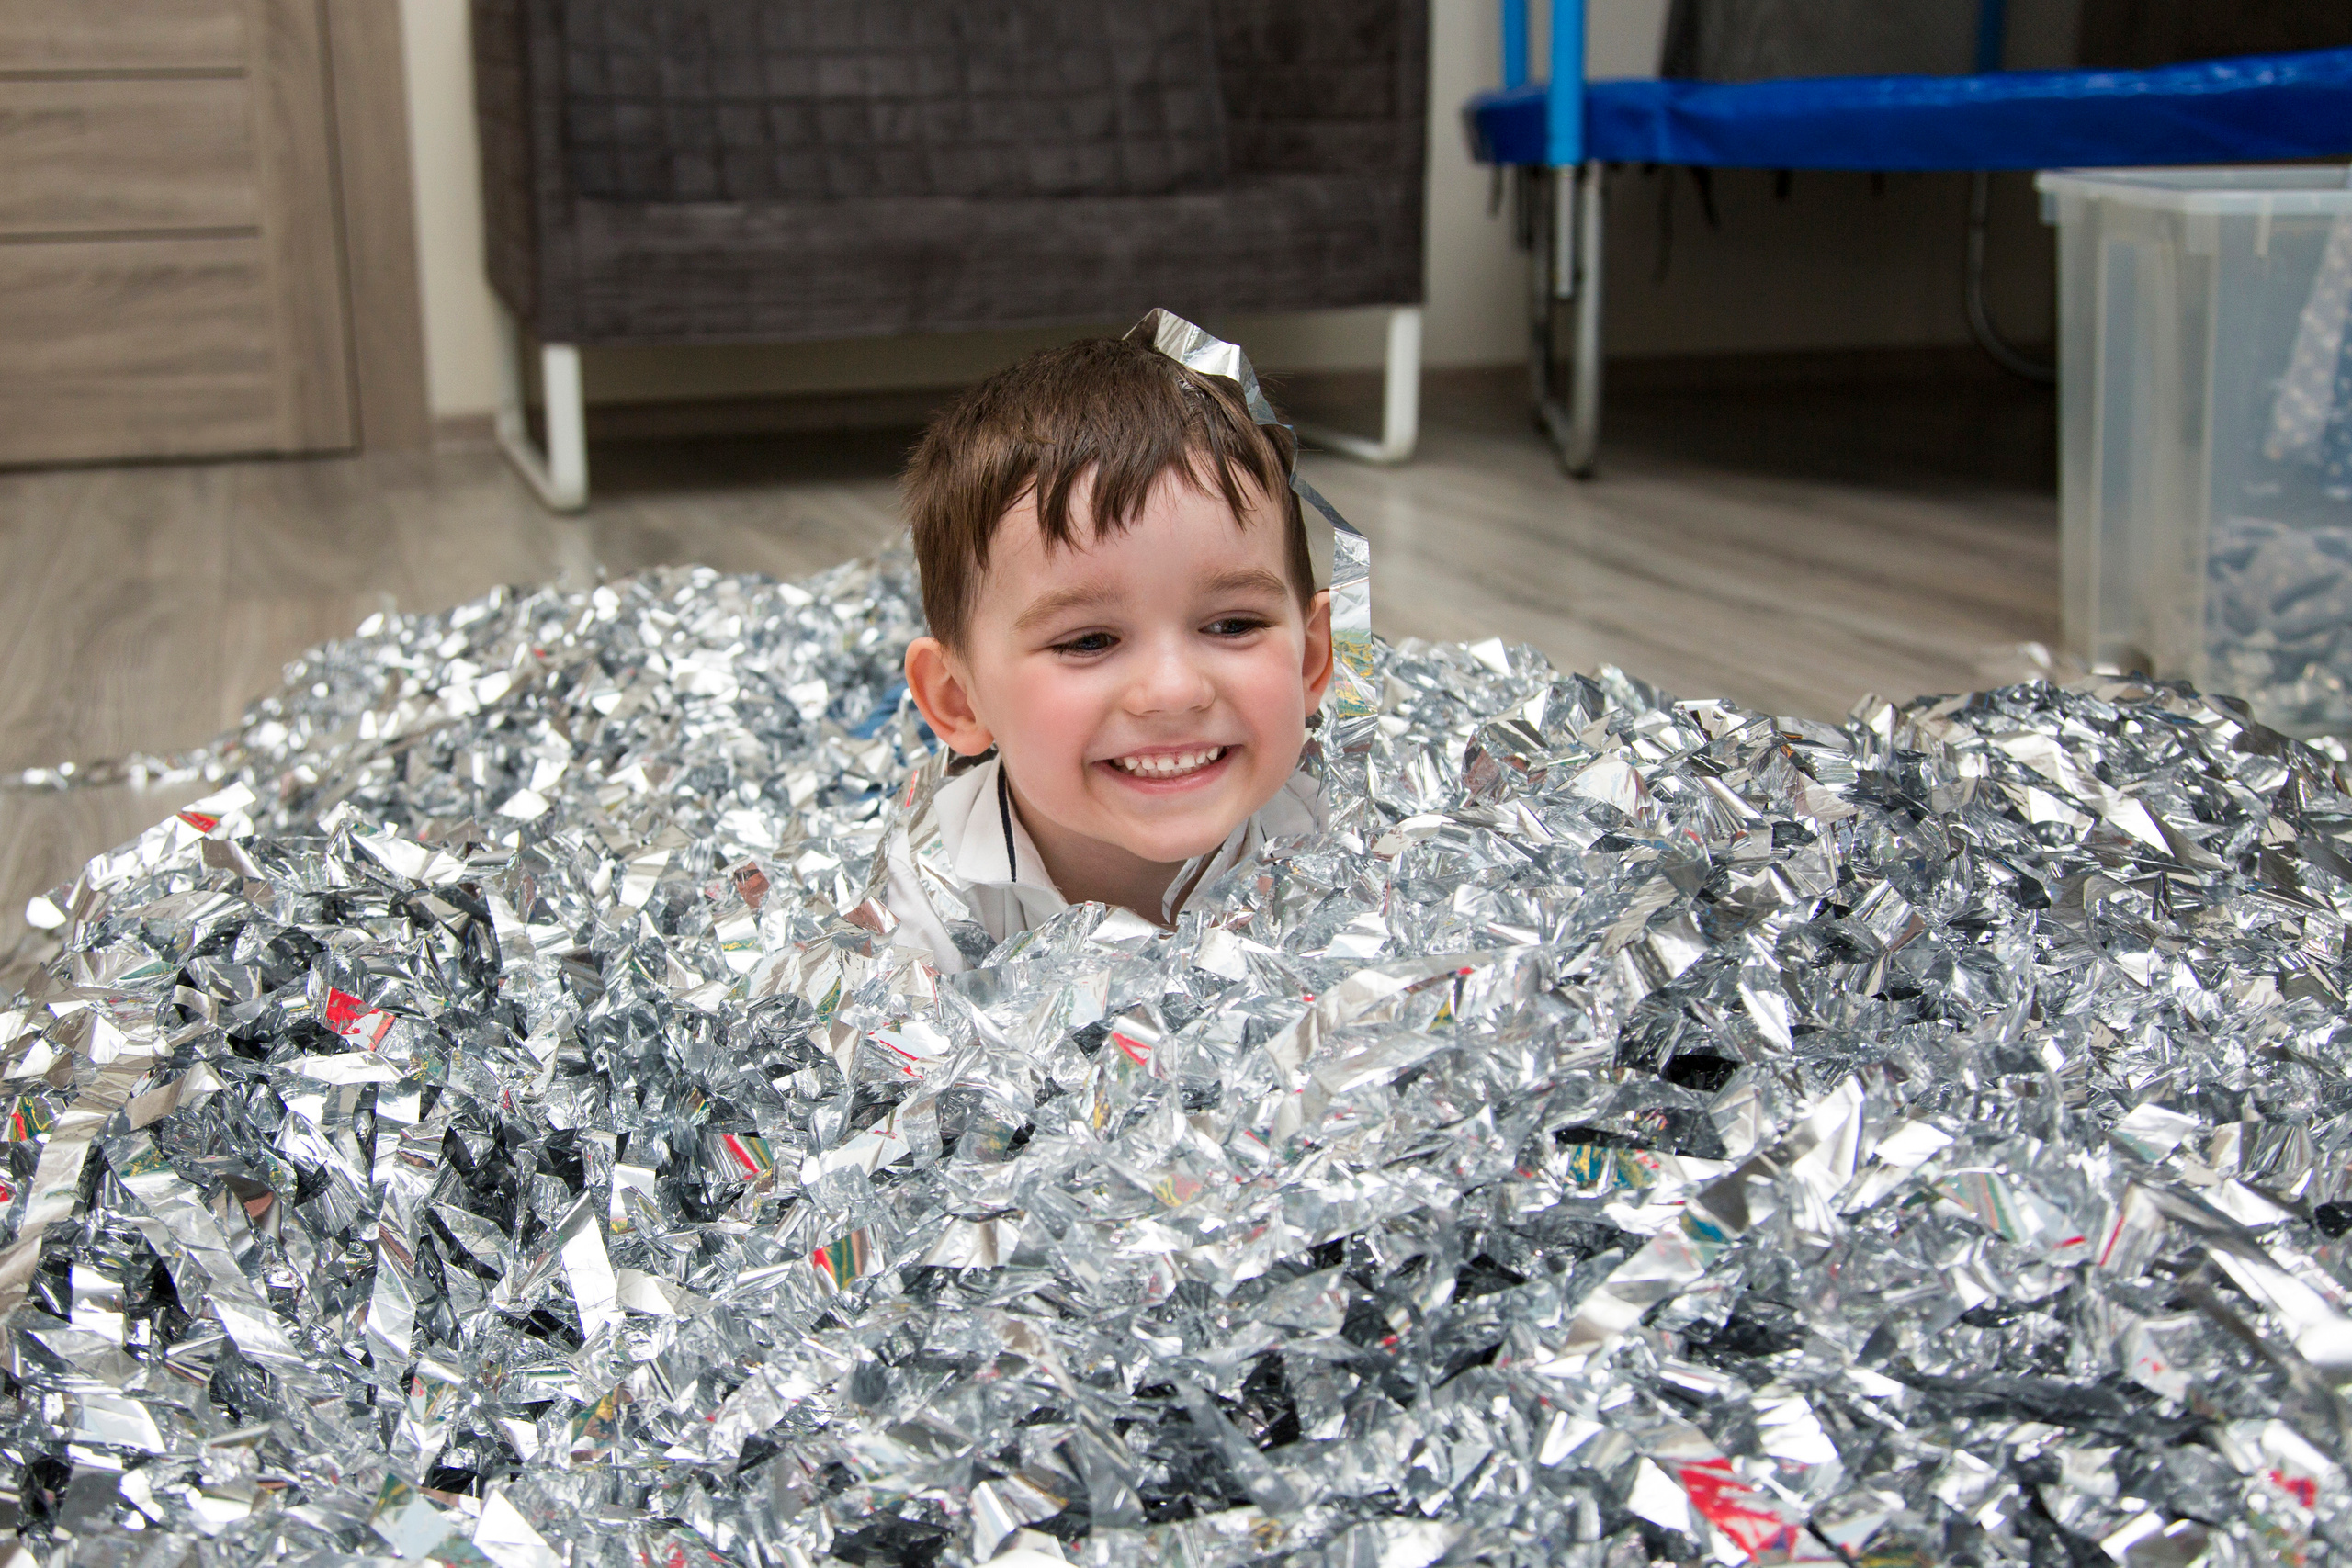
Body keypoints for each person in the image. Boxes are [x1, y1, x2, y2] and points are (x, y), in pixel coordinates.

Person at [876, 312, 1339, 973]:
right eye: (1090, 640)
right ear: (959, 701)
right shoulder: (928, 895)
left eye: (1233, 625)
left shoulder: (1338, 842)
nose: (1174, 690)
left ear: (1311, 659)